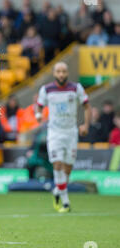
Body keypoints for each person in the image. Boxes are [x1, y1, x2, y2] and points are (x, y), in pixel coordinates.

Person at [36, 62, 91, 213]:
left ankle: (57, 191)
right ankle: (66, 202)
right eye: (58, 71)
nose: (61, 74)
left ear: (67, 73)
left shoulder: (76, 88)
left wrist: (86, 125)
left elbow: (87, 106)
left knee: (68, 168)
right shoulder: (46, 89)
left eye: (64, 71)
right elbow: (39, 106)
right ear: (54, 73)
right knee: (57, 164)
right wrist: (38, 115)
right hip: (54, 132)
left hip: (71, 132)